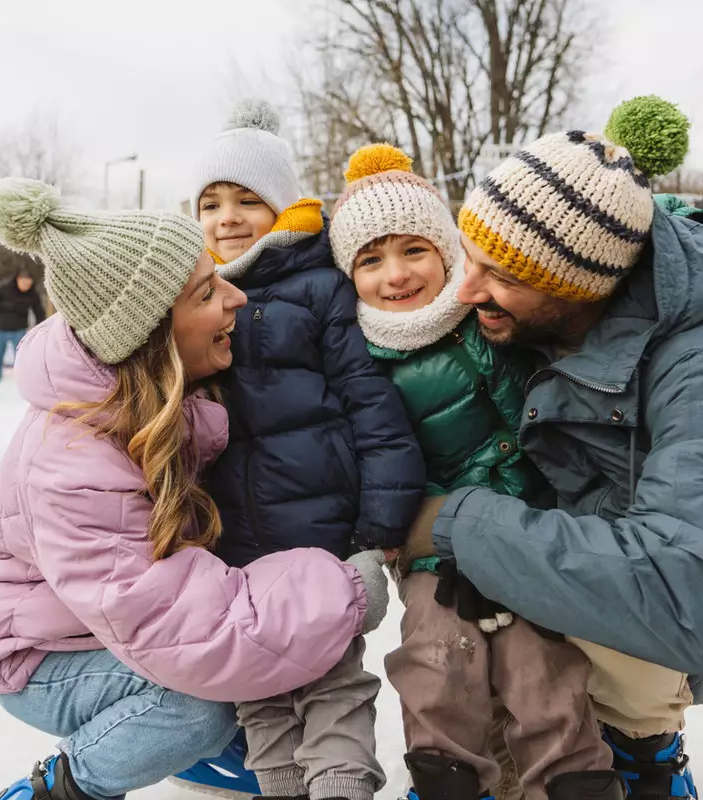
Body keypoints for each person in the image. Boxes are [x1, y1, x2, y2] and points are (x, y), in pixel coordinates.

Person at [0, 177, 392, 800]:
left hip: (101, 629)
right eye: (206, 292)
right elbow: (180, 626)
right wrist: (344, 590)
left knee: (252, 677)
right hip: (39, 657)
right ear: (154, 334)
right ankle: (65, 784)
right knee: (200, 707)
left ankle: (187, 748)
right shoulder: (72, 463)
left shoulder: (159, 397)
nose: (236, 298)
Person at [400, 96, 701, 800]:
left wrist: (455, 523)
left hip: (653, 636)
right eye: (465, 258)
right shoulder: (532, 319)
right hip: (554, 576)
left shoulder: (688, 362)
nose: (464, 290)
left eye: (500, 275)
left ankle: (640, 749)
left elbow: (685, 586)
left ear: (580, 288)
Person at [329, 143, 619, 800]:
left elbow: (544, 424)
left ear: (445, 251)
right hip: (436, 545)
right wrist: (449, 546)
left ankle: (574, 777)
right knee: (434, 652)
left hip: (531, 524)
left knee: (542, 660)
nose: (396, 274)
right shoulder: (357, 360)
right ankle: (444, 775)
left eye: (414, 250)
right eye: (370, 260)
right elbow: (381, 461)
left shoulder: (490, 315)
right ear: (349, 275)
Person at [188, 100, 426, 800]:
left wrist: (373, 534)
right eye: (211, 202)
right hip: (234, 547)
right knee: (258, 693)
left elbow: (374, 410)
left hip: (322, 539)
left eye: (247, 199)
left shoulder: (321, 286)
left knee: (331, 688)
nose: (227, 217)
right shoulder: (189, 297)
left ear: (283, 206)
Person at [0, 267, 46, 394]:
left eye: (29, 283)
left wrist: (42, 327)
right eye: (23, 282)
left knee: (22, 358)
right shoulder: (4, 288)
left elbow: (39, 311)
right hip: (0, 329)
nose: (26, 285)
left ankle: (26, 383)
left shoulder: (32, 294)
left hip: (19, 330)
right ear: (17, 280)